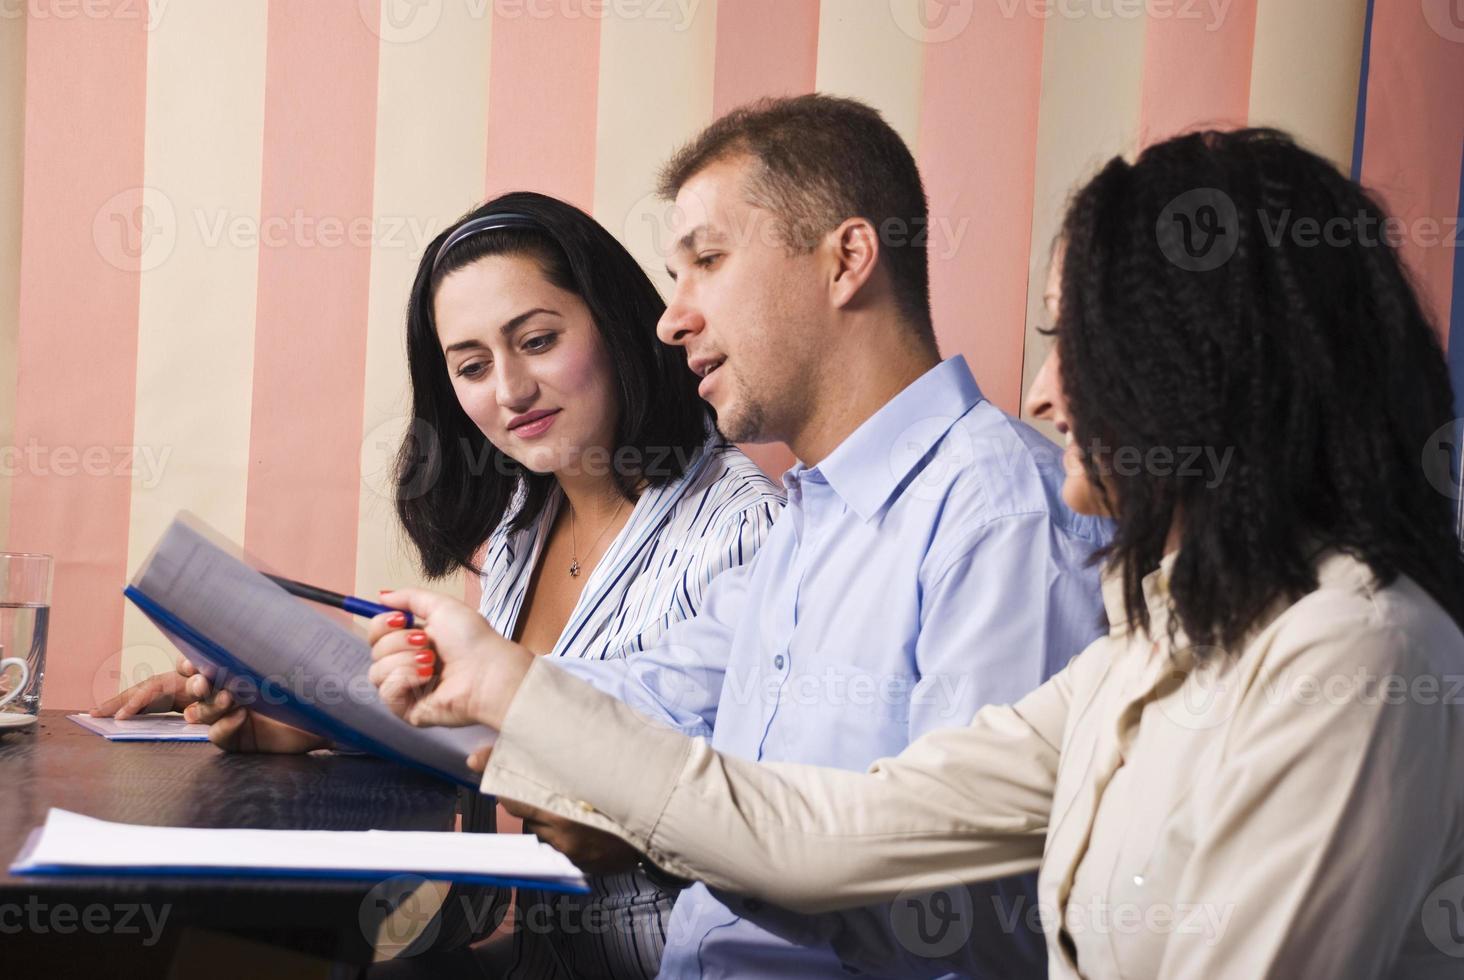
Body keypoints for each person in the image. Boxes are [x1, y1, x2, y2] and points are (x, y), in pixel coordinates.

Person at [367, 128, 1464, 979]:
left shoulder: (1356, 652)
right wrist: (500, 682)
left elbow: (949, 911)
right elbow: (831, 833)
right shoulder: (1153, 640)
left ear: (1211, 364)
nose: (1041, 390)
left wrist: (576, 773)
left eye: (1075, 343)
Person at [361, 93, 1111, 979]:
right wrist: (342, 691)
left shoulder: (1001, 514)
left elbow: (952, 902)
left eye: (706, 262)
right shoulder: (813, 510)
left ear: (847, 261)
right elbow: (653, 690)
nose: (671, 318)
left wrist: (652, 830)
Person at [94, 192, 783, 978]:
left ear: (619, 323)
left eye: (539, 340)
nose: (511, 390)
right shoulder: (529, 511)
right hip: (532, 947)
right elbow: (499, 742)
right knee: (222, 958)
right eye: (473, 366)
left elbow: (768, 823)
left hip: (657, 963)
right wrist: (308, 717)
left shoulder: (745, 529)